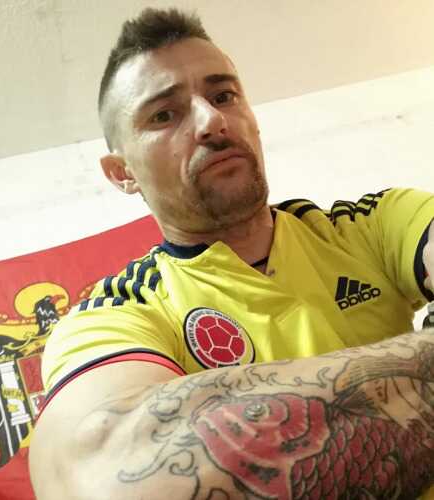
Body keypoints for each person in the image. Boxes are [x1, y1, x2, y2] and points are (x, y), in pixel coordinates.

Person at [29, 8, 434, 499]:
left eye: (223, 96)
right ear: (123, 173)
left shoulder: (374, 223)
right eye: (164, 114)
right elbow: (106, 476)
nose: (212, 120)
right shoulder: (113, 314)